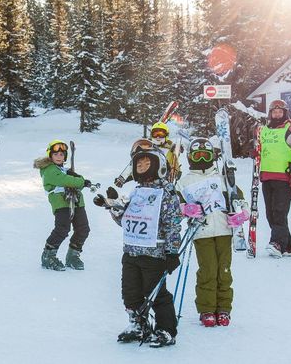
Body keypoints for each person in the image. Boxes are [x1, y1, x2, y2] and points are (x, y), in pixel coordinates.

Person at [103, 141, 182, 348]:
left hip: (154, 253)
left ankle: (166, 329)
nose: (141, 165)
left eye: (146, 161)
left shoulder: (166, 192)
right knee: (130, 292)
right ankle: (139, 325)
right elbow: (125, 221)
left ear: (157, 165)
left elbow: (173, 223)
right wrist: (113, 207)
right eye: (138, 163)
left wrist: (172, 252)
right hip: (131, 251)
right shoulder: (136, 192)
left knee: (155, 293)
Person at [176, 137, 249, 327]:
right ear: (191, 157)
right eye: (197, 155)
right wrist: (185, 209)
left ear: (212, 157)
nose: (201, 159)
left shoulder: (222, 178)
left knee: (224, 271)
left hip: (224, 230)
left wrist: (240, 215)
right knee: (208, 270)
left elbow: (239, 200)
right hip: (202, 232)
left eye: (205, 155)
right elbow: (174, 204)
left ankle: (224, 308)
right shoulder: (184, 182)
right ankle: (207, 309)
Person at [259, 99, 291, 258]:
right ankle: (286, 247)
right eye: (274, 112)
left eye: (280, 112)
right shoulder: (264, 130)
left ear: (285, 113)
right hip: (266, 176)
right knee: (270, 214)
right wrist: (255, 153)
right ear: (270, 113)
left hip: (284, 177)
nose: (276, 114)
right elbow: (262, 148)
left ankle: (276, 243)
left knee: (279, 212)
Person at [33, 140, 92, 271]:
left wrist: (78, 180)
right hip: (61, 202)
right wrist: (80, 181)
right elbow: (64, 180)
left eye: (62, 154)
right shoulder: (49, 169)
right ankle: (48, 256)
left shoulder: (64, 170)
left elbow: (73, 182)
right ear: (50, 156)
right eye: (56, 154)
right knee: (62, 229)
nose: (59, 157)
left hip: (76, 201)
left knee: (83, 229)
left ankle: (73, 256)